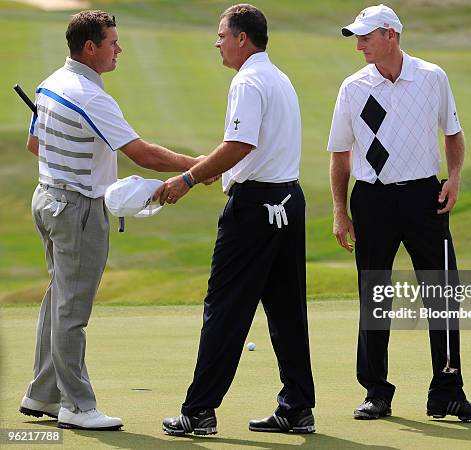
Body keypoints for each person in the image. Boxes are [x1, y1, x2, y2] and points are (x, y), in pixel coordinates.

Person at [19, 10, 201, 431]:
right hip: (77, 209)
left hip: (46, 199)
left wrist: (70, 165)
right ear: (90, 48)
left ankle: (42, 394)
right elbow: (144, 154)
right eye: (112, 42)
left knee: (58, 299)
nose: (119, 49)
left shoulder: (50, 82)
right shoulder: (91, 96)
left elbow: (35, 144)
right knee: (71, 311)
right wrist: (203, 166)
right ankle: (77, 406)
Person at [328, 4, 471, 421]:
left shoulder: (432, 77)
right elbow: (339, 154)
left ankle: (448, 392)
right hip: (372, 199)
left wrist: (453, 179)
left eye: (367, 35)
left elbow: (453, 135)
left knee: (442, 294)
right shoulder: (353, 87)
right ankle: (376, 392)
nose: (360, 43)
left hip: (425, 197)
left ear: (391, 35)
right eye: (357, 37)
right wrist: (339, 210)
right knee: (375, 296)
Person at [159, 4, 316, 436]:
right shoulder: (278, 77)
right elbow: (249, 150)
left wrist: (190, 178)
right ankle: (298, 406)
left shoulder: (247, 81)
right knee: (286, 309)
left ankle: (199, 411)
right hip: (288, 200)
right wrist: (215, 170)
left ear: (242, 38)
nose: (217, 42)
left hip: (255, 211)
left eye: (222, 35)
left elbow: (240, 144)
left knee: (225, 308)